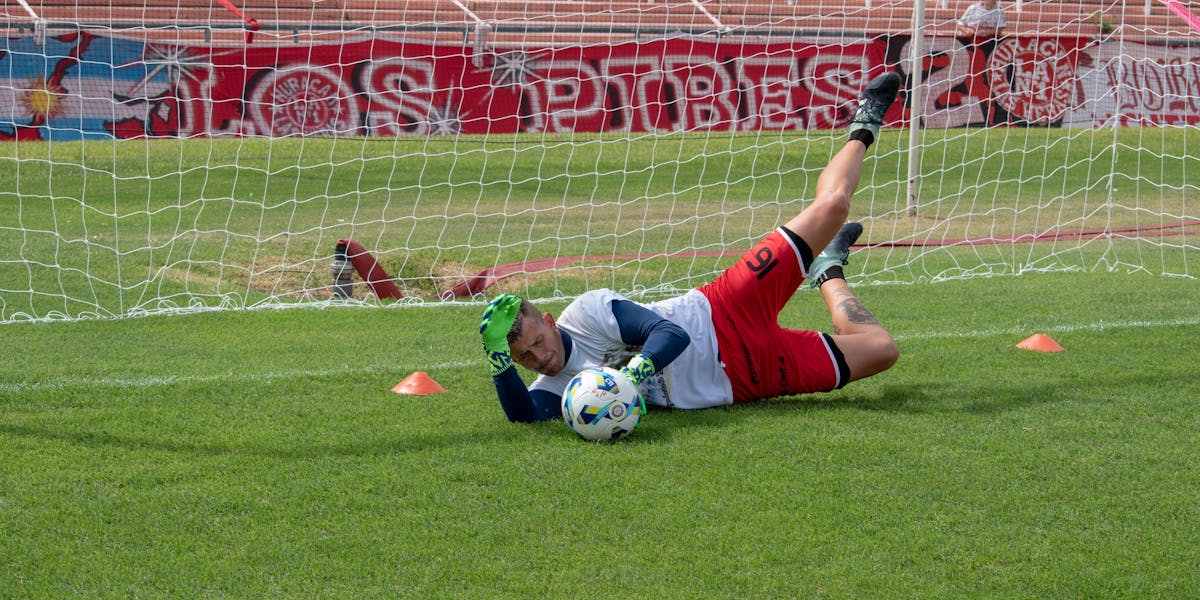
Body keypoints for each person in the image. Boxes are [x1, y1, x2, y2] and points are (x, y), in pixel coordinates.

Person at [478, 72, 903, 423]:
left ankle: (863, 125)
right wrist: (499, 363)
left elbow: (670, 333)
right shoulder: (555, 385)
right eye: (524, 359)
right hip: (744, 380)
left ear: (549, 321)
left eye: (537, 342)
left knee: (832, 207)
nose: (540, 359)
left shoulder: (588, 313)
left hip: (723, 308)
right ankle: (829, 271)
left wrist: (634, 374)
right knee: (882, 350)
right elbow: (525, 415)